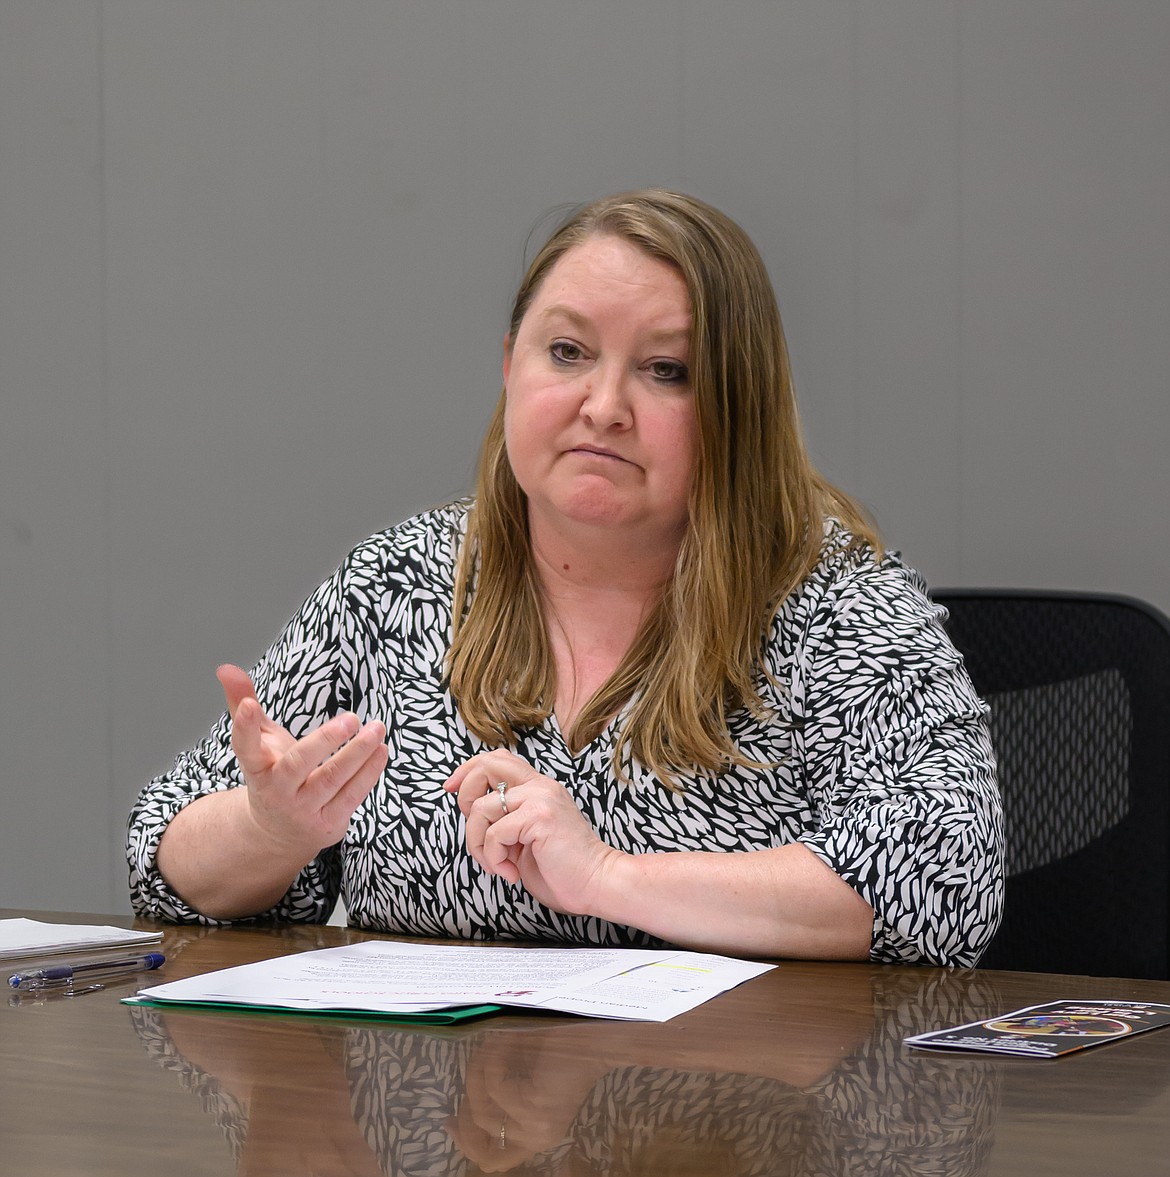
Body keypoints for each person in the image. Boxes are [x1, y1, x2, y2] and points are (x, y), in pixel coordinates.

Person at [127, 189, 1003, 966]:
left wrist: (608, 876)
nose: (604, 406)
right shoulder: (402, 582)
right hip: (448, 1124)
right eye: (568, 352)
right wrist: (268, 828)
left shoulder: (834, 599)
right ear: (511, 367)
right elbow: (163, 860)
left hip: (728, 1123)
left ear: (741, 406)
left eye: (667, 371)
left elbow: (944, 879)